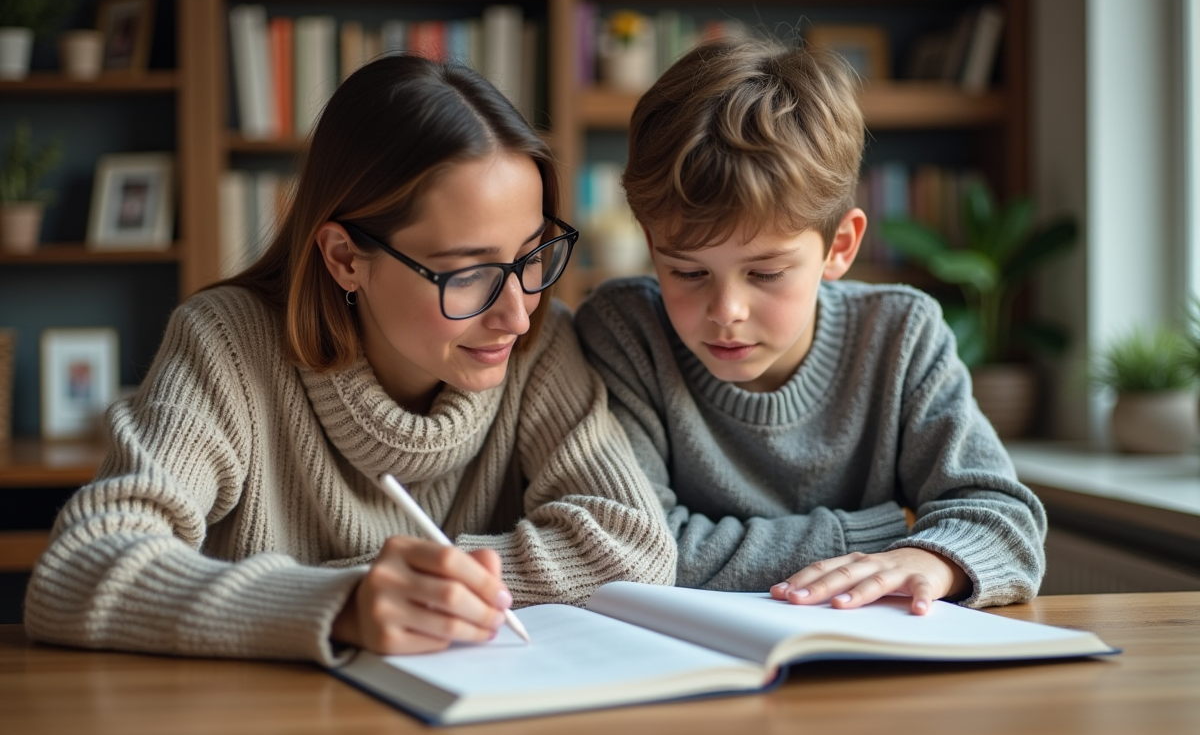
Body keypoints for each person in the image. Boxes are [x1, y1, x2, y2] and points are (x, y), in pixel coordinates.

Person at [24, 55, 676, 664]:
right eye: (469, 272)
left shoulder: (540, 343)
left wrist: (387, 582)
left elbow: (633, 548)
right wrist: (340, 604)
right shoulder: (227, 345)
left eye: (532, 255)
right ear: (344, 258)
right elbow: (81, 569)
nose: (517, 312)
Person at [575, 36, 1045, 614]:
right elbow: (638, 548)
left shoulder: (899, 335)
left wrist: (936, 559)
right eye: (689, 271)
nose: (727, 311)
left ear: (839, 246)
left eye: (766, 273)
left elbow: (1005, 522)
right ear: (651, 246)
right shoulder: (625, 333)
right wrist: (882, 532)